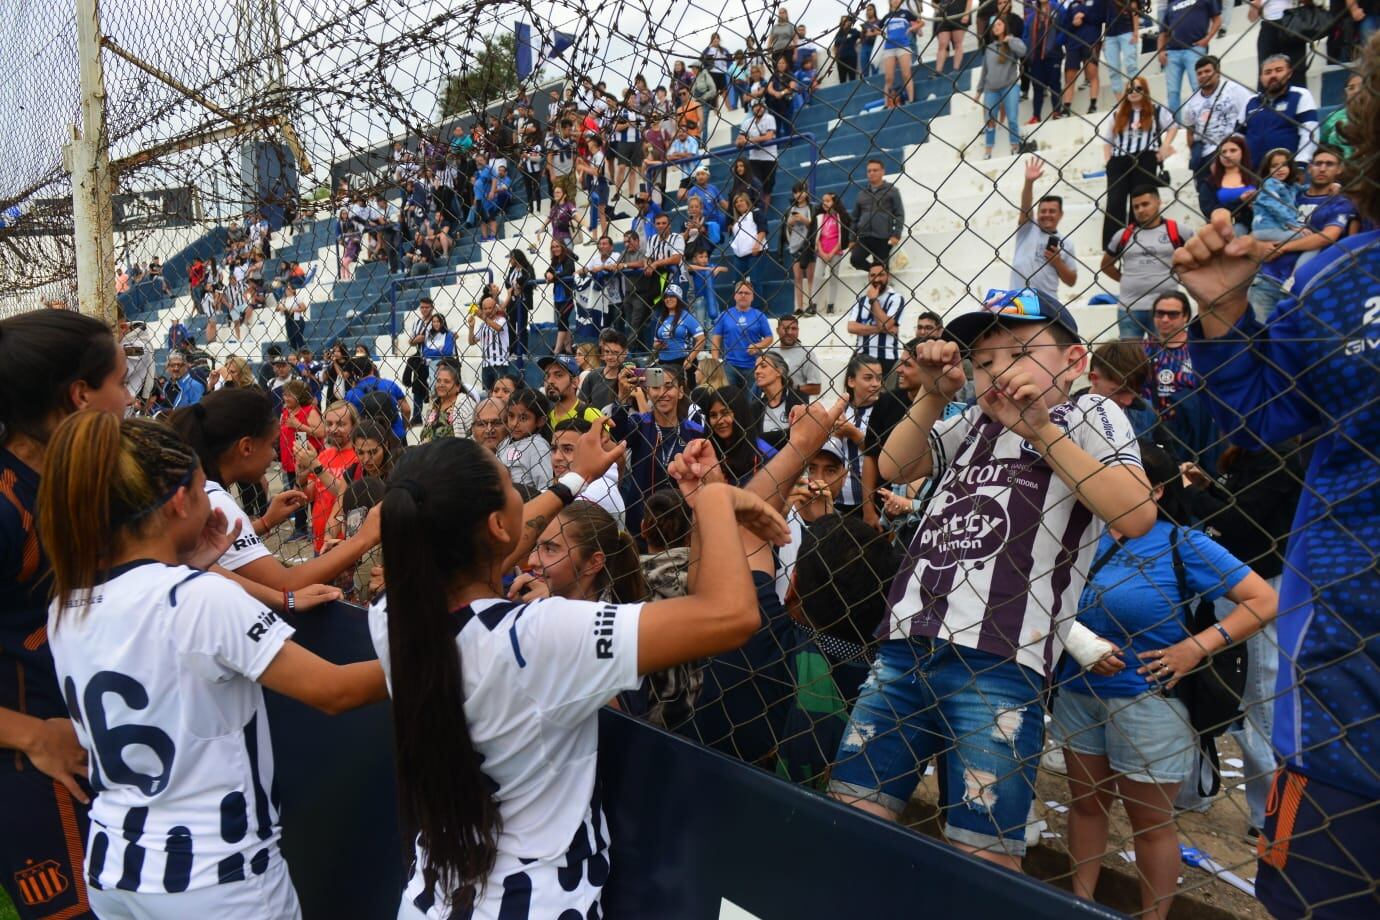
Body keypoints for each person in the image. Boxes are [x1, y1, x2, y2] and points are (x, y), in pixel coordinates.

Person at [372, 423, 783, 917]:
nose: (531, 500)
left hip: (432, 896)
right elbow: (730, 615)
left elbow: (499, 547)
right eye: (512, 486)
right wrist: (715, 500)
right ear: (498, 528)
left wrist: (575, 479)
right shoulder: (542, 635)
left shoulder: (392, 614)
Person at [830, 287, 1155, 871]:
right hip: (907, 647)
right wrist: (933, 393)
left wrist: (1040, 431)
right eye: (983, 362)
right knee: (852, 813)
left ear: (1074, 363)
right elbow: (899, 466)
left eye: (1021, 352)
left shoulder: (1089, 416)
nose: (998, 372)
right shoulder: (971, 427)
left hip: (1001, 662)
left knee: (980, 851)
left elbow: (1134, 512)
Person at [38, 411, 385, 919]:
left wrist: (185, 563)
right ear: (180, 503)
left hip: (116, 867)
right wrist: (440, 652)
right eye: (204, 492)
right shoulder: (199, 599)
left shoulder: (68, 600)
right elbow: (333, 692)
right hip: (214, 877)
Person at [1054, 442, 1278, 920]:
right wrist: (1081, 644)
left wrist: (1195, 647)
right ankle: (1079, 902)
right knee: (1086, 806)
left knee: (1151, 824)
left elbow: (1262, 600)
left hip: (1150, 703)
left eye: (1124, 478)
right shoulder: (1080, 535)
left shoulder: (1183, 544)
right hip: (1078, 693)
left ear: (1156, 490)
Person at [0, 311, 130, 920]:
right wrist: (32, 735)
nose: (129, 400)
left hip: (82, 741)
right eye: (120, 383)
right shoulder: (5, 508)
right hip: (34, 760)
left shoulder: (64, 482)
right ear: (80, 396)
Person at [169, 389, 382, 595]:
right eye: (272, 445)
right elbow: (285, 583)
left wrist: (264, 523)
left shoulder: (201, 491)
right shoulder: (217, 502)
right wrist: (362, 539)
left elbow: (218, 568)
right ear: (246, 448)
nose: (274, 456)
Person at [1246, 145, 1356, 321]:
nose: (1322, 168)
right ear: (1309, 167)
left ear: (1339, 169)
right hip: (1266, 280)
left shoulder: (1339, 203)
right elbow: (1257, 231)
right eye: (1318, 163)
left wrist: (1282, 248)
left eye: (1329, 164)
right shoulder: (1287, 193)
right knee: (1257, 340)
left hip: (1308, 286)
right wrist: (1261, 247)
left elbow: (1328, 236)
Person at [610, 368, 702, 537]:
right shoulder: (641, 424)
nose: (662, 393)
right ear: (648, 392)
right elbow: (617, 433)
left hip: (681, 523)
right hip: (641, 520)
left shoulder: (695, 432)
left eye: (668, 386)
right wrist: (622, 398)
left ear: (681, 392)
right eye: (655, 387)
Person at [1099, 78, 1178, 248]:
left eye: (1138, 88)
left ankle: (1140, 239)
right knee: (1115, 201)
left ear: (1145, 90)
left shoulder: (1155, 110)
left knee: (1140, 198)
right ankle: (1113, 244)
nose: (1134, 92)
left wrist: (1165, 146)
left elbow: (1173, 125)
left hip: (1145, 158)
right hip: (1119, 160)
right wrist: (1108, 160)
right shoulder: (1118, 113)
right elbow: (1107, 139)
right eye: (1130, 89)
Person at [1101, 186, 1190, 337]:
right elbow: (1105, 265)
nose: (1140, 210)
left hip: (1164, 310)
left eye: (1145, 204)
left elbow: (1195, 258)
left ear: (1158, 202)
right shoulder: (1123, 235)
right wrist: (1126, 280)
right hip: (1129, 306)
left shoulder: (1179, 231)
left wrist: (1182, 276)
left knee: (1163, 356)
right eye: (1136, 206)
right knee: (1130, 358)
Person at [1182, 55, 1254, 220]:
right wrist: (1194, 150)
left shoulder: (1235, 90)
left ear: (1218, 72)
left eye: (1207, 71)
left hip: (1230, 148)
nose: (1203, 75)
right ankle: (1215, 221)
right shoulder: (1192, 101)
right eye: (1199, 73)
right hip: (1204, 154)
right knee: (1207, 195)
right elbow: (1189, 128)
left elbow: (1250, 113)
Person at [294, 400, 360, 554]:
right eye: (329, 424)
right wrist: (301, 478)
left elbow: (348, 496)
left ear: (354, 426)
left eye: (341, 424)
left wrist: (316, 466)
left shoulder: (360, 457)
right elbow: (307, 498)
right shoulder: (324, 455)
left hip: (345, 545)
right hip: (320, 542)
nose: (333, 429)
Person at [1012, 158, 1078, 299]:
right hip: (1019, 300)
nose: (1047, 215)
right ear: (1037, 212)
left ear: (1060, 215)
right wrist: (1029, 182)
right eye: (1043, 211)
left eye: (1052, 211)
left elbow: (1071, 281)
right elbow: (1025, 206)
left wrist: (1057, 262)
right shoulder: (1028, 228)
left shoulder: (1066, 243)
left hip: (1047, 303)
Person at [1238, 55, 1318, 170]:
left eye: (1279, 70)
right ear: (1261, 77)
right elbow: (1238, 136)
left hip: (1286, 172)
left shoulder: (1300, 95)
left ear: (1289, 73)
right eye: (1268, 72)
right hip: (1252, 172)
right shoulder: (1250, 101)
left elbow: (1310, 133)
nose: (1273, 75)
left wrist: (1301, 163)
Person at [549, 419, 626, 525]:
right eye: (553, 449)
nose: (556, 457)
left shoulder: (597, 490)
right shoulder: (579, 482)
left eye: (568, 449)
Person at [1155, 0, 1220, 122]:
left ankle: (1203, 120)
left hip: (1194, 47)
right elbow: (1163, 32)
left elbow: (1217, 19)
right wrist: (1161, 50)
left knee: (1198, 86)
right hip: (1173, 51)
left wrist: (1207, 38)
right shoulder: (1171, 5)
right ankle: (1175, 125)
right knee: (1172, 91)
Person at [697, 387, 776, 486]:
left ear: (740, 413)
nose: (719, 421)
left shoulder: (763, 453)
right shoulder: (707, 450)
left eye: (725, 413)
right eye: (713, 415)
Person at [978, 16, 1027, 159]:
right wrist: (979, 91)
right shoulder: (989, 48)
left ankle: (1015, 146)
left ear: (1005, 26)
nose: (996, 27)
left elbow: (1023, 51)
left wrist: (1010, 41)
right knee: (989, 119)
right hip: (991, 88)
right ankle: (988, 151)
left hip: (1009, 85)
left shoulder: (1013, 41)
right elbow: (984, 71)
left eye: (999, 24)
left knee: (1012, 118)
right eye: (994, 25)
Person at [711, 281, 775, 389]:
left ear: (752, 297)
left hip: (754, 366)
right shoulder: (725, 315)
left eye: (747, 293)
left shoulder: (759, 316)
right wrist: (715, 361)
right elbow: (716, 339)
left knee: (752, 400)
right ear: (735, 295)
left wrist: (758, 346)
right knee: (729, 400)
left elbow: (769, 338)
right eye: (740, 292)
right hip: (730, 366)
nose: (743, 295)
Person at [847, 262, 906, 376]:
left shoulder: (896, 298)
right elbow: (851, 327)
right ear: (868, 277)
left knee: (885, 392)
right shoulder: (861, 300)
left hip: (886, 358)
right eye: (873, 275)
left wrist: (874, 300)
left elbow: (885, 324)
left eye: (881, 275)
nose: (877, 279)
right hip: (862, 356)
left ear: (888, 276)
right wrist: (881, 328)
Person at [849, 159, 905, 270]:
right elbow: (854, 218)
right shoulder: (861, 193)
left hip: (883, 237)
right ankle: (875, 271)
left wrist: (896, 234)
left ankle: (880, 274)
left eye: (875, 170)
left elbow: (899, 214)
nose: (872, 173)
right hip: (864, 237)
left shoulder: (892, 191)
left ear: (882, 172)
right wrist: (851, 239)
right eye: (869, 171)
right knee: (855, 259)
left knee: (882, 265)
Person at [496, 388, 553, 491]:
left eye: (523, 418)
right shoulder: (505, 442)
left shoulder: (538, 446)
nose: (514, 423)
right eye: (511, 416)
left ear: (541, 421)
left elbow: (545, 486)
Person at [344, 357, 409, 442]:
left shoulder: (351, 394)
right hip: (395, 435)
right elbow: (406, 409)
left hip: (368, 439)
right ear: (372, 368)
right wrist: (402, 428)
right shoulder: (390, 384)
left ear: (354, 373)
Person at [1023, 0, 1067, 121]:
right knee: (1037, 87)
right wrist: (1029, 52)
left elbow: (1065, 27)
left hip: (1053, 55)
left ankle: (1056, 111)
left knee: (1055, 84)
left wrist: (1057, 43)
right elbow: (1026, 35)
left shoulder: (1058, 9)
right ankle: (1036, 116)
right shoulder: (1032, 15)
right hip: (1036, 57)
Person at [1060, 0, 1104, 115]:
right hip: (1073, 45)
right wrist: (1073, 23)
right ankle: (1066, 107)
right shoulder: (1072, 4)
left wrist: (1085, 16)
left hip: (1091, 42)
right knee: (1069, 76)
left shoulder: (1097, 2)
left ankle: (1093, 104)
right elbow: (1065, 26)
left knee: (1092, 73)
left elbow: (1101, 18)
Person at [652, 284, 706, 377]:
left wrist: (689, 359)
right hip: (663, 362)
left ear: (679, 298)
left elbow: (701, 339)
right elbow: (655, 343)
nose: (668, 299)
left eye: (672, 296)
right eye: (666, 297)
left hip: (682, 361)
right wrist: (657, 346)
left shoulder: (686, 316)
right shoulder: (661, 318)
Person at [877, 0, 924, 106]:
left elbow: (921, 22)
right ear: (890, 2)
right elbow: (877, 29)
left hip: (903, 46)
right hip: (889, 48)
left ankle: (911, 100)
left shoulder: (906, 13)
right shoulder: (887, 16)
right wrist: (880, 33)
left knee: (906, 74)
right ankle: (886, 104)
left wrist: (911, 29)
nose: (896, 1)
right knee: (888, 78)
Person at [539, 355, 602, 429]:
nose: (550, 381)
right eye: (547, 376)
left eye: (559, 375)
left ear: (574, 382)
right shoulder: (545, 417)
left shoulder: (590, 415)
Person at [421, 361, 477, 441]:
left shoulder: (464, 403)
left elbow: (474, 435)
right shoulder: (434, 404)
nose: (441, 385)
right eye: (438, 381)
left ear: (458, 386)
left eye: (446, 381)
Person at [737, 100, 780, 205]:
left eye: (760, 106)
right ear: (752, 109)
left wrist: (749, 140)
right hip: (754, 158)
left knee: (768, 187)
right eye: (755, 106)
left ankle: (764, 213)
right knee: (756, 185)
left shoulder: (769, 118)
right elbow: (738, 141)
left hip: (770, 158)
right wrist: (759, 139)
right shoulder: (747, 122)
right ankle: (759, 209)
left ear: (764, 107)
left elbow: (769, 136)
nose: (758, 108)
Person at [771, 313, 823, 398]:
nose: (790, 332)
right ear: (777, 330)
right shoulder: (771, 353)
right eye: (786, 328)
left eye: (794, 328)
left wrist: (789, 390)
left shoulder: (807, 354)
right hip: (772, 405)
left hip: (797, 406)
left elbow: (816, 388)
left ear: (798, 330)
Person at [468, 294, 512, 391]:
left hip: (500, 363)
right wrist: (471, 327)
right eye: (485, 308)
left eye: (490, 308)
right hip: (486, 364)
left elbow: (498, 328)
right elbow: (472, 342)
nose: (488, 311)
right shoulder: (483, 325)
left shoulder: (502, 320)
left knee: (501, 392)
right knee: (488, 393)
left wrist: (482, 316)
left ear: (496, 308)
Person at [578, 329, 630, 411]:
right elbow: (581, 406)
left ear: (625, 353)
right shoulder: (592, 376)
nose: (610, 357)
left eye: (615, 352)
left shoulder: (629, 377)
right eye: (607, 351)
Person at [1317, 69, 1362, 159]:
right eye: (1351, 88)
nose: (1356, 91)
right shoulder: (1333, 117)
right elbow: (1323, 145)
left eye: (1361, 86)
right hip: (1340, 168)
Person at [545, 239, 578, 357]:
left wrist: (553, 276)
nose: (555, 249)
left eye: (557, 246)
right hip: (558, 296)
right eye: (553, 247)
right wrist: (548, 274)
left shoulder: (568, 258)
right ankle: (568, 349)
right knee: (564, 321)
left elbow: (567, 272)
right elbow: (548, 272)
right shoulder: (555, 261)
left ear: (562, 247)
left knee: (562, 321)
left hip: (567, 296)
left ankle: (557, 350)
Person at [1101, 0, 1140, 98]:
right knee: (1113, 70)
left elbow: (1134, 10)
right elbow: (1105, 18)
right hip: (1110, 35)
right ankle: (1120, 103)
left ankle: (1136, 94)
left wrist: (1135, 32)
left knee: (1131, 65)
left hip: (1126, 31)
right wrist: (1104, 38)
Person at [727, 192, 768, 282]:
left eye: (741, 201)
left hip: (754, 253)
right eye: (736, 202)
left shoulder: (755, 213)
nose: (739, 203)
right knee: (738, 283)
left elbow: (762, 229)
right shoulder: (737, 220)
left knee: (755, 282)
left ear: (747, 202)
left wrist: (757, 244)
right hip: (739, 256)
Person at [421, 313, 457, 380]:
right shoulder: (430, 335)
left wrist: (432, 352)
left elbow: (447, 352)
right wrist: (439, 350)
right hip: (431, 365)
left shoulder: (448, 334)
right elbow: (425, 352)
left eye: (438, 321)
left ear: (442, 322)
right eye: (434, 322)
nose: (436, 324)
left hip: (444, 365)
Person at [833, 15, 863, 82]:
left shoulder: (854, 31)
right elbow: (835, 45)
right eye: (843, 21)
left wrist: (857, 43)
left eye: (846, 21)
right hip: (841, 59)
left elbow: (862, 37)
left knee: (852, 78)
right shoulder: (838, 33)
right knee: (842, 80)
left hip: (851, 58)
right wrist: (836, 56)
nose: (845, 22)